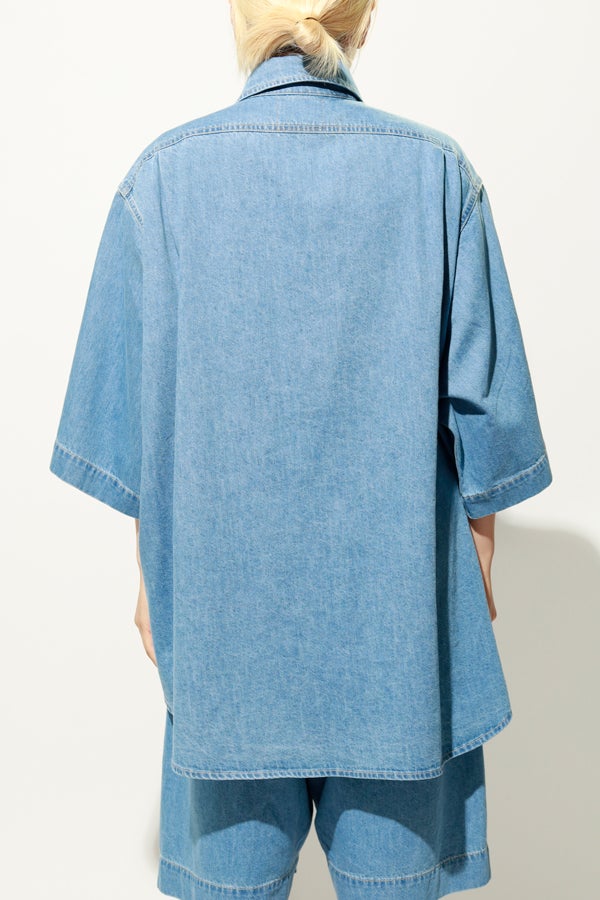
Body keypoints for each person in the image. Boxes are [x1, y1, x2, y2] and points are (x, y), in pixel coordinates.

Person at [49, 1, 553, 897]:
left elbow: (138, 427)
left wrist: (156, 582)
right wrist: (472, 569)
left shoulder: (161, 180)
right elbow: (489, 427)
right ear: (366, 21)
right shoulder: (438, 175)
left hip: (224, 649)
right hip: (402, 654)